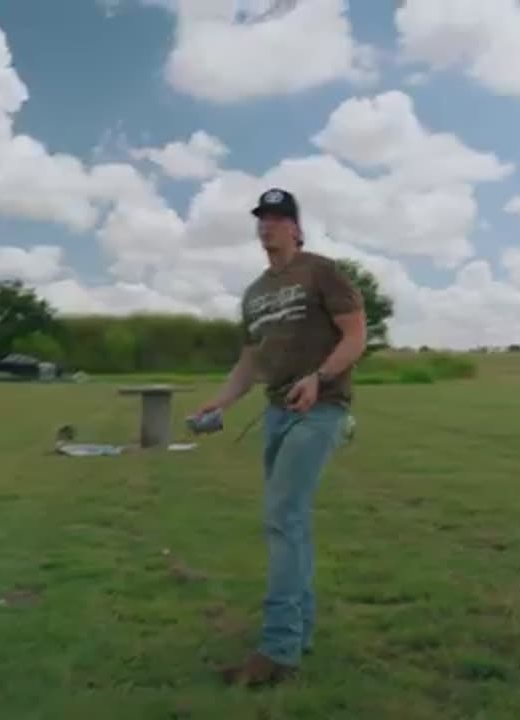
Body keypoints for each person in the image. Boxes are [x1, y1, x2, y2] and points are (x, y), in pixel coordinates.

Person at [193, 187, 367, 687]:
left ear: (295, 227)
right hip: (275, 413)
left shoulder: (321, 271)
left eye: (276, 218)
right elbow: (251, 360)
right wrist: (222, 401)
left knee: (282, 518)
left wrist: (320, 377)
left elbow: (356, 334)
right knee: (293, 525)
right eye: (261, 219)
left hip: (322, 409)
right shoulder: (254, 294)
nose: (266, 226)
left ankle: (277, 651)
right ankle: (300, 633)